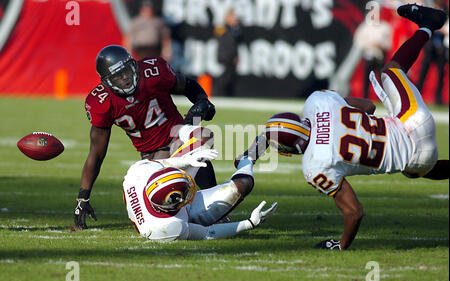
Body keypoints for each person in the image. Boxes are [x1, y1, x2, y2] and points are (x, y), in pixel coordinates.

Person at [265, 4, 449, 250]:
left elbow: (355, 212)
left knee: (411, 167)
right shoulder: (316, 102)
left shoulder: (313, 166)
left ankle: (430, 22)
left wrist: (341, 245)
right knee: (391, 72)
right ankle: (425, 27)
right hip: (412, 119)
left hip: (418, 160)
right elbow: (368, 106)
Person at [74, 45, 217, 230]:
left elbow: (186, 84)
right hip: (152, 159)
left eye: (126, 71)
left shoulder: (153, 71)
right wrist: (82, 198)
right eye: (118, 76)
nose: (125, 78)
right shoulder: (101, 102)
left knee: (202, 140)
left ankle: (214, 207)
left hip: (178, 137)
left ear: (133, 65)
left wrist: (203, 101)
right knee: (164, 218)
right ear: (107, 82)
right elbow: (96, 154)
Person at [122, 138, 277, 241]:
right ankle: (247, 161)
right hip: (179, 215)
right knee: (244, 183)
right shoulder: (167, 227)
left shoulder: (138, 172)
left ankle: (245, 159)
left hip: (167, 203)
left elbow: (160, 163)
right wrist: (249, 223)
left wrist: (185, 160)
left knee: (201, 140)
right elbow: (207, 233)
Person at [213, 9, 242, 97]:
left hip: (230, 57)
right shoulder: (223, 29)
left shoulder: (234, 30)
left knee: (230, 77)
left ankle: (226, 95)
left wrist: (236, 56)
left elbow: (234, 45)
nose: (235, 19)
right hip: (224, 56)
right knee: (224, 77)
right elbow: (218, 35)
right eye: (232, 17)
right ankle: (217, 94)